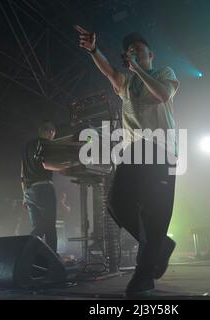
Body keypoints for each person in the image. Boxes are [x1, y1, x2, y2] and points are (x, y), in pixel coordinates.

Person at [75, 25, 179, 296]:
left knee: (154, 215)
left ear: (150, 54)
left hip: (161, 149)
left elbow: (163, 95)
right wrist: (94, 50)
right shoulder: (126, 83)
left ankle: (143, 277)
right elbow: (109, 70)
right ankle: (161, 246)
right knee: (116, 204)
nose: (133, 53)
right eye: (129, 51)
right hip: (134, 150)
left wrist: (137, 69)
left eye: (139, 50)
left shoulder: (163, 73)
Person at [21, 122, 59, 253]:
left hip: (29, 191)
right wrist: (66, 168)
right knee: (49, 227)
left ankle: (28, 253)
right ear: (50, 132)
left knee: (38, 226)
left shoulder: (26, 146)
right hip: (44, 188)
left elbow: (22, 172)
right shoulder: (45, 143)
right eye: (53, 135)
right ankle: (53, 259)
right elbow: (46, 164)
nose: (52, 138)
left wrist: (24, 196)